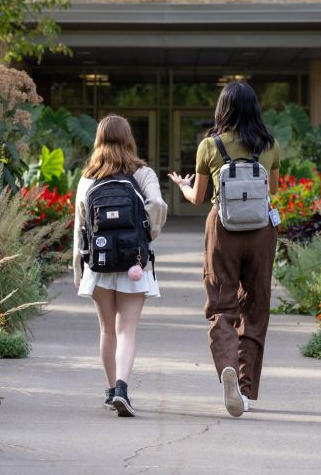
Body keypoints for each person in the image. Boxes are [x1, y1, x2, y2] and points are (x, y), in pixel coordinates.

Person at [168, 82, 280, 417]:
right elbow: (272, 190)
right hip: (261, 231)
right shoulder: (270, 144)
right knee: (256, 306)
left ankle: (227, 368)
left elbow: (200, 198)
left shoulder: (209, 146)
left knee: (222, 304)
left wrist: (184, 187)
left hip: (223, 229)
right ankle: (244, 391)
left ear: (223, 109)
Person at [73, 115, 168, 417]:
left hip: (98, 262)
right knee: (127, 328)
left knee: (106, 329)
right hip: (133, 262)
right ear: (130, 138)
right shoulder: (143, 173)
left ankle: (111, 389)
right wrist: (146, 234)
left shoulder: (88, 177)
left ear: (99, 139)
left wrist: (79, 268)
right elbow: (158, 206)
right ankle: (124, 388)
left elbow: (80, 225)